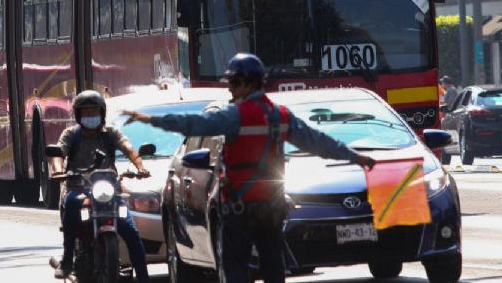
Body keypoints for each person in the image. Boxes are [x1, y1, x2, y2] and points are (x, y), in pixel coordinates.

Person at [121, 53, 376, 283]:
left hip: (238, 209)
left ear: (249, 83)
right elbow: (318, 142)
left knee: (235, 268)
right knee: (273, 265)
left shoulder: (235, 115)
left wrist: (151, 119)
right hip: (271, 207)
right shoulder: (281, 116)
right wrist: (355, 157)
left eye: (233, 83)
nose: (229, 89)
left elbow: (194, 123)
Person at [51, 90, 151, 281]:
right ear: (79, 115)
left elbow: (128, 147)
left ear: (102, 113)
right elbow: (57, 153)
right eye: (86, 112)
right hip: (78, 188)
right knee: (71, 205)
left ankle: (144, 278)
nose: (91, 116)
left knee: (131, 232)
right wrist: (57, 170)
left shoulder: (110, 133)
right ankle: (67, 260)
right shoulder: (71, 134)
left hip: (108, 191)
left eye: (94, 112)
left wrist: (140, 166)